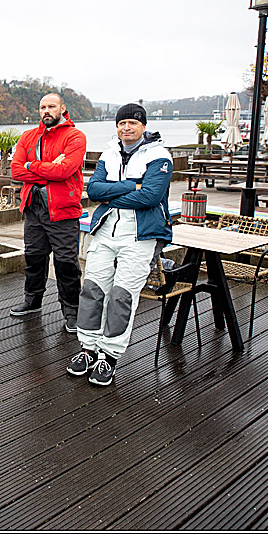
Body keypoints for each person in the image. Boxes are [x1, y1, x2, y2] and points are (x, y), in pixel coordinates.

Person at [68, 103, 173, 385]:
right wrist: (131, 186)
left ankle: (109, 355)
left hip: (141, 235)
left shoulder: (160, 156)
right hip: (105, 231)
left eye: (132, 123)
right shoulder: (110, 153)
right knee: (92, 290)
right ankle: (88, 348)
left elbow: (150, 197)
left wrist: (110, 195)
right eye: (121, 123)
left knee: (122, 295)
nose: (126, 128)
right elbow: (92, 190)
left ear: (143, 126)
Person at [9, 93, 87, 331]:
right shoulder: (28, 136)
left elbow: (65, 171)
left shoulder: (75, 136)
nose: (46, 110)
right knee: (33, 257)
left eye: (51, 106)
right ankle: (32, 301)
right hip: (34, 208)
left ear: (63, 108)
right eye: (42, 107)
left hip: (63, 210)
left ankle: (72, 311)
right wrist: (48, 168)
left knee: (65, 263)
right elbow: (15, 171)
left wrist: (31, 166)